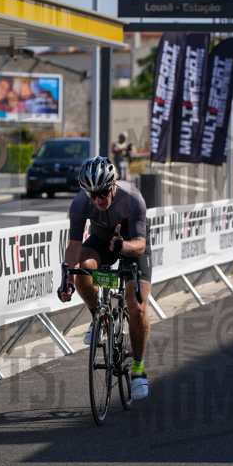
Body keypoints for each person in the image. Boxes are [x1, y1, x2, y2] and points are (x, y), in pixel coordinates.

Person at [58, 156, 151, 399]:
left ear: (113, 186)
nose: (97, 200)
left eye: (102, 193)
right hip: (101, 241)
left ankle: (139, 370)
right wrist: (67, 280)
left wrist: (123, 247)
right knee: (83, 271)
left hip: (131, 243)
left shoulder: (132, 199)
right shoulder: (80, 203)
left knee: (137, 307)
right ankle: (98, 317)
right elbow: (74, 247)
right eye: (92, 195)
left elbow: (140, 245)